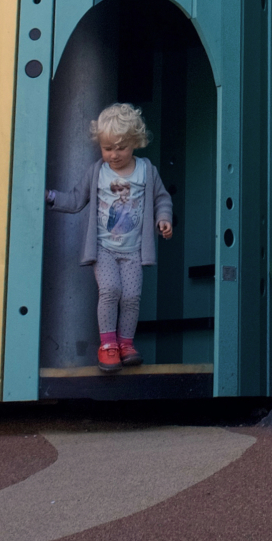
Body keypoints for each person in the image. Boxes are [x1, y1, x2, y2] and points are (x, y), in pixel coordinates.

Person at [46, 103, 174, 372]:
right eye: (107, 148)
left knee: (131, 297)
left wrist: (163, 218)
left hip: (133, 251)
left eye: (121, 148)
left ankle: (126, 344)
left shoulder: (146, 171)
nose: (114, 155)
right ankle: (107, 346)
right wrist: (49, 197)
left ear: (135, 143)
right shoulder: (97, 172)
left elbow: (162, 198)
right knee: (111, 290)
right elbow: (75, 199)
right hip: (103, 248)